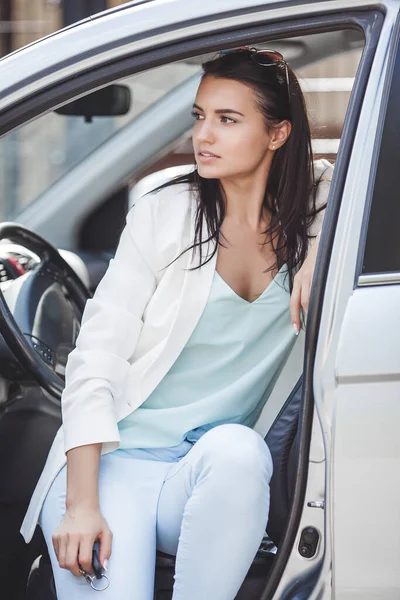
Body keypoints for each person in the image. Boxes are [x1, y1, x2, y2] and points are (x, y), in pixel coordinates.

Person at [21, 47, 333, 599]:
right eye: (199, 116)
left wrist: (314, 254)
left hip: (199, 474)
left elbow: (345, 186)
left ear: (277, 134)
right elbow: (97, 356)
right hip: (113, 467)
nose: (203, 135)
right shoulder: (163, 215)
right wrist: (81, 504)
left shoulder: (309, 213)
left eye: (227, 119)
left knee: (241, 451)